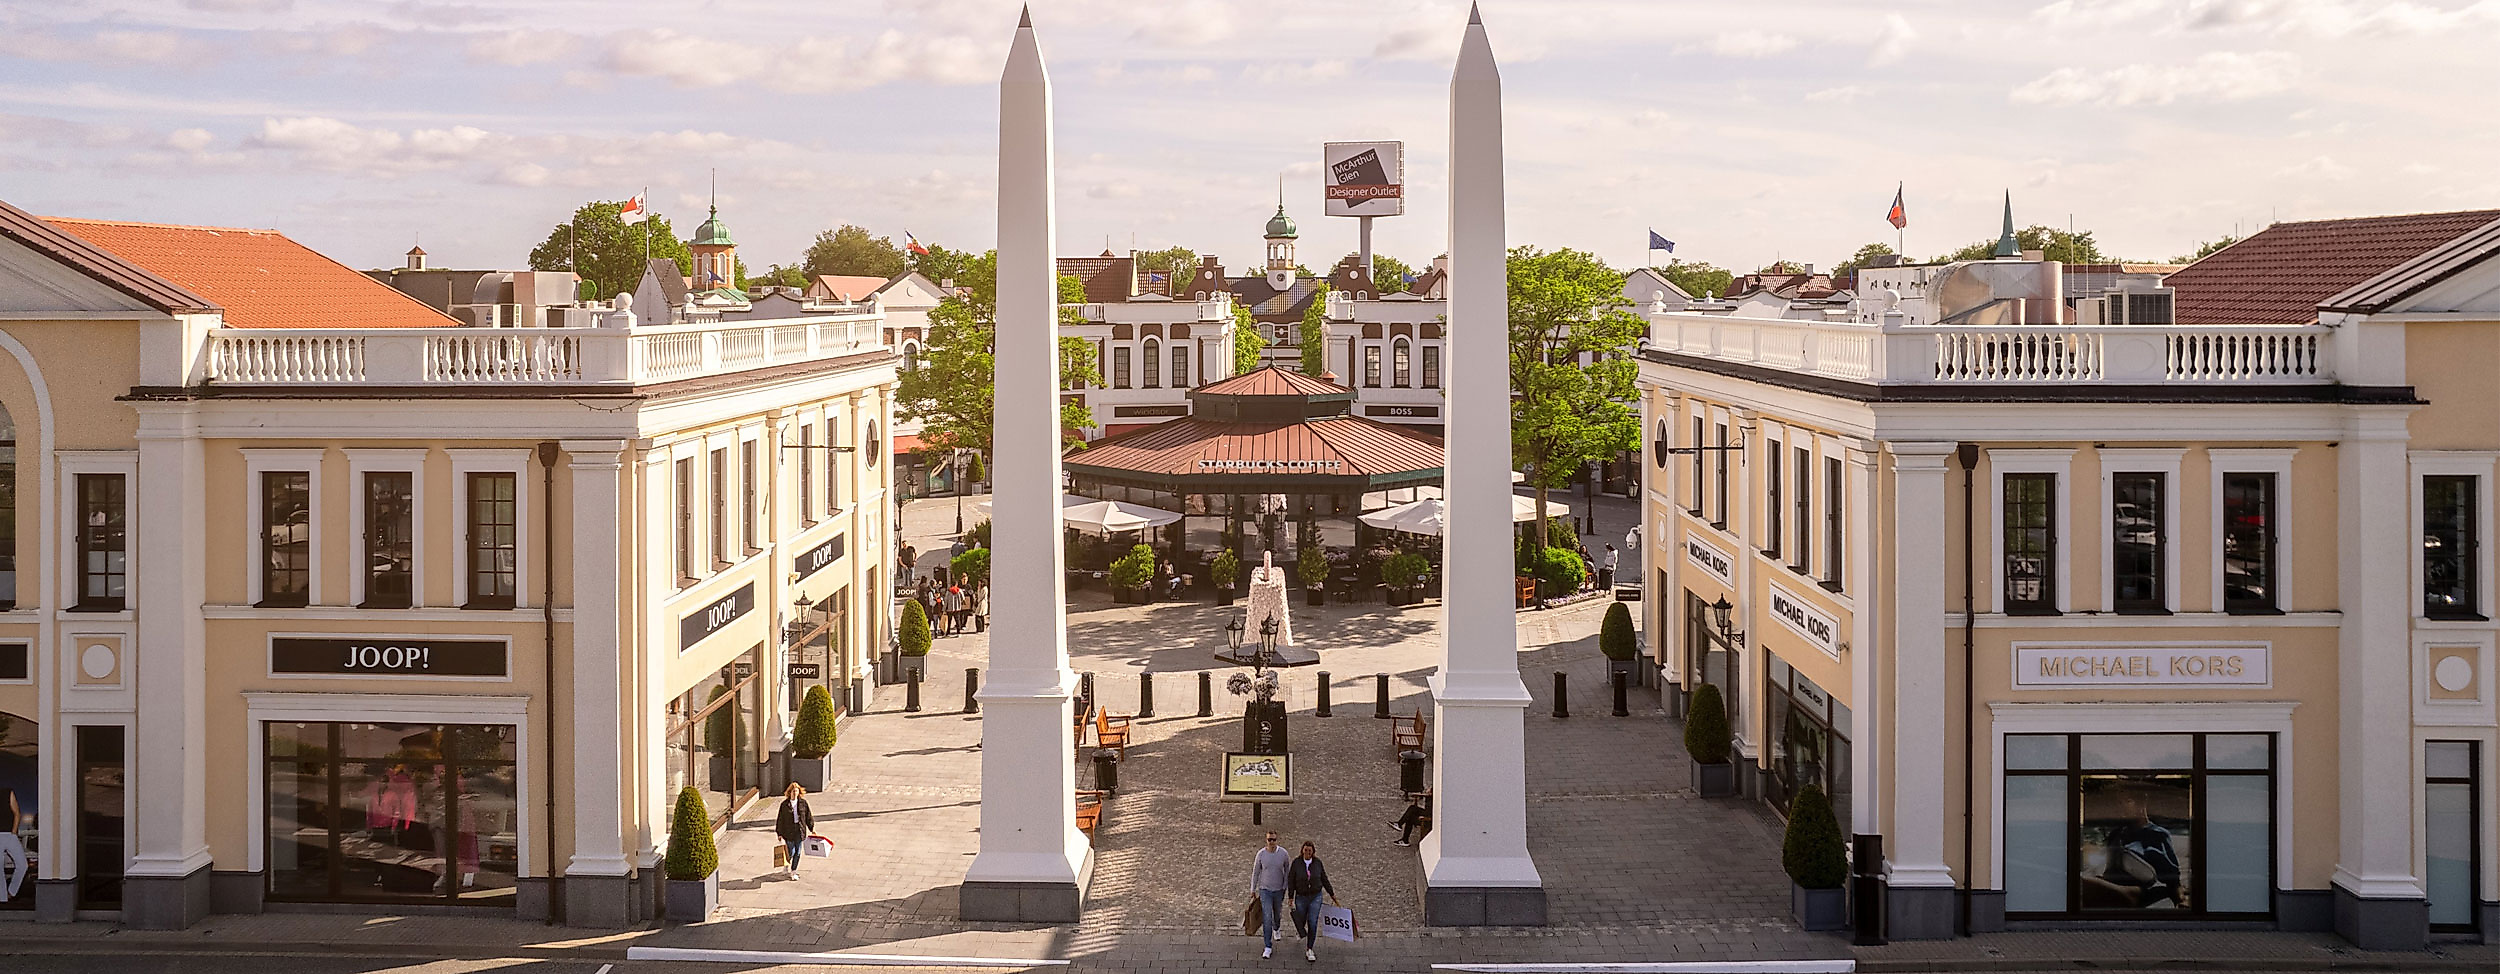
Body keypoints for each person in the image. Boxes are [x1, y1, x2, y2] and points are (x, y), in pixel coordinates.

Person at [1286, 841, 1339, 962]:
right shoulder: (1296, 863)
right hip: (1301, 896)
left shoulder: (1317, 863)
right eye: (1305, 850)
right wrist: (1290, 896)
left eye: (1310, 851)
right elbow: (1291, 880)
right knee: (1301, 918)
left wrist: (1332, 894)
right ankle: (1300, 931)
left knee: (1313, 922)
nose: (1307, 853)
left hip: (1315, 896)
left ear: (1313, 852)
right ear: (1302, 851)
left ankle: (1309, 948)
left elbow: (1324, 879)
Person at [1249, 830, 1291, 959]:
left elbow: (1287, 871)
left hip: (1278, 890)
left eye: (1274, 839)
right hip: (1265, 890)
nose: (1272, 842)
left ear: (1277, 840)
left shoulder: (1283, 854)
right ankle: (1268, 946)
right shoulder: (1261, 854)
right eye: (1269, 840)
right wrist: (1253, 889)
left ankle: (1276, 928)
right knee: (1267, 917)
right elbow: (1256, 872)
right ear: (1266, 840)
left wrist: (1285, 887)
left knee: (1277, 913)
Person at [775, 782, 816, 878]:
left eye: (796, 791)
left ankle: (793, 871)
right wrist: (779, 833)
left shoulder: (803, 803)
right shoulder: (784, 805)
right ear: (789, 792)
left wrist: (812, 828)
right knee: (791, 851)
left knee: (798, 852)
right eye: (793, 791)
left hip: (799, 830)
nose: (795, 793)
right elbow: (780, 819)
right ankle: (786, 864)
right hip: (789, 831)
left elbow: (808, 816)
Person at [0, 789, 25, 903]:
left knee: (22, 865)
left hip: (9, 835)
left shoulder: (7, 792)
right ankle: (3, 899)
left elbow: (17, 813)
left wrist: (13, 832)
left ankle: (11, 892)